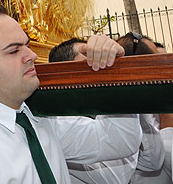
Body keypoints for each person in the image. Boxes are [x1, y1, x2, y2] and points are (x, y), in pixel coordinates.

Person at [0, 3, 142, 184]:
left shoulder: (36, 118)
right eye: (14, 50)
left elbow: (118, 141)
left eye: (27, 45)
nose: (31, 55)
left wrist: (111, 71)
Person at [49, 36, 165, 184]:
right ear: (63, 74)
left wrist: (134, 95)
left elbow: (153, 162)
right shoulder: (60, 122)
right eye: (90, 63)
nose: (99, 66)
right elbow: (112, 178)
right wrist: (117, 81)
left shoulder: (106, 111)